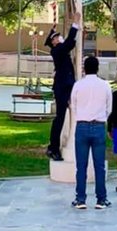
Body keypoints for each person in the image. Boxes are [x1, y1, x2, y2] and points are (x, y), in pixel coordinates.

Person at [69, 55, 113, 210]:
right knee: (99, 165)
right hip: (99, 126)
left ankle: (80, 199)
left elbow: (73, 106)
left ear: (84, 68)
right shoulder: (105, 85)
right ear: (97, 68)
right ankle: (101, 199)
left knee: (81, 166)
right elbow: (109, 109)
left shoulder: (78, 85)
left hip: (81, 126)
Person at [45, 23, 80, 162]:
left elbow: (70, 44)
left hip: (67, 86)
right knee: (59, 119)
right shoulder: (57, 50)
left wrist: (52, 30)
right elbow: (69, 43)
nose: (59, 38)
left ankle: (54, 147)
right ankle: (54, 148)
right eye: (57, 37)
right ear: (53, 42)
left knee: (61, 118)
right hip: (62, 88)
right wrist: (75, 25)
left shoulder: (60, 49)